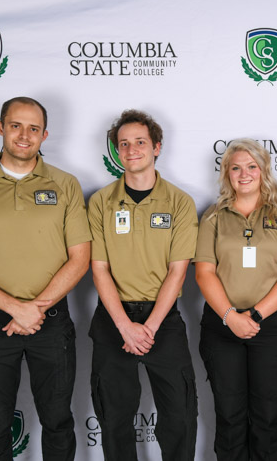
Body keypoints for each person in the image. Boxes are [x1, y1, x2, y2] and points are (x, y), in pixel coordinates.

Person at [0, 97, 91, 460]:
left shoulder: (65, 184)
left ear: (44, 135)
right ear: (0, 127)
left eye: (33, 128)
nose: (24, 135)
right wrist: (14, 308)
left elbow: (80, 258)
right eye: (16, 126)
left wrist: (34, 310)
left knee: (58, 423)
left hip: (52, 323)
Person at [86, 109, 198, 460]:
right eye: (123, 144)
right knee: (115, 418)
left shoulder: (180, 202)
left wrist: (147, 329)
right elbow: (99, 267)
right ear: (116, 151)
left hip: (161, 321)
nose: (131, 149)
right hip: (113, 320)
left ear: (156, 147)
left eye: (140, 142)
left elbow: (177, 272)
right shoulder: (101, 202)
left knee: (179, 417)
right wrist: (125, 327)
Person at [194, 138, 277, 461]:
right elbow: (204, 274)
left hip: (268, 328)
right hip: (221, 326)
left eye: (252, 167)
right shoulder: (212, 218)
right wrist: (231, 316)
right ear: (226, 173)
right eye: (236, 167)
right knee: (229, 416)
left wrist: (253, 316)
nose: (244, 174)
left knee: (267, 417)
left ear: (264, 171)